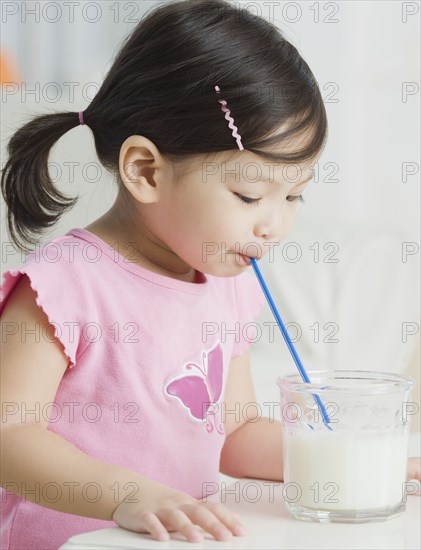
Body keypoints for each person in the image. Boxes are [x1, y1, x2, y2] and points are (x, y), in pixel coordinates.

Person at [1, 1, 419, 549]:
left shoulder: (229, 286)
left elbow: (236, 434)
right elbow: (9, 436)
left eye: (293, 194)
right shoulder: (63, 285)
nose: (276, 224)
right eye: (249, 195)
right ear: (145, 170)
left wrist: (360, 460)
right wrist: (127, 495)